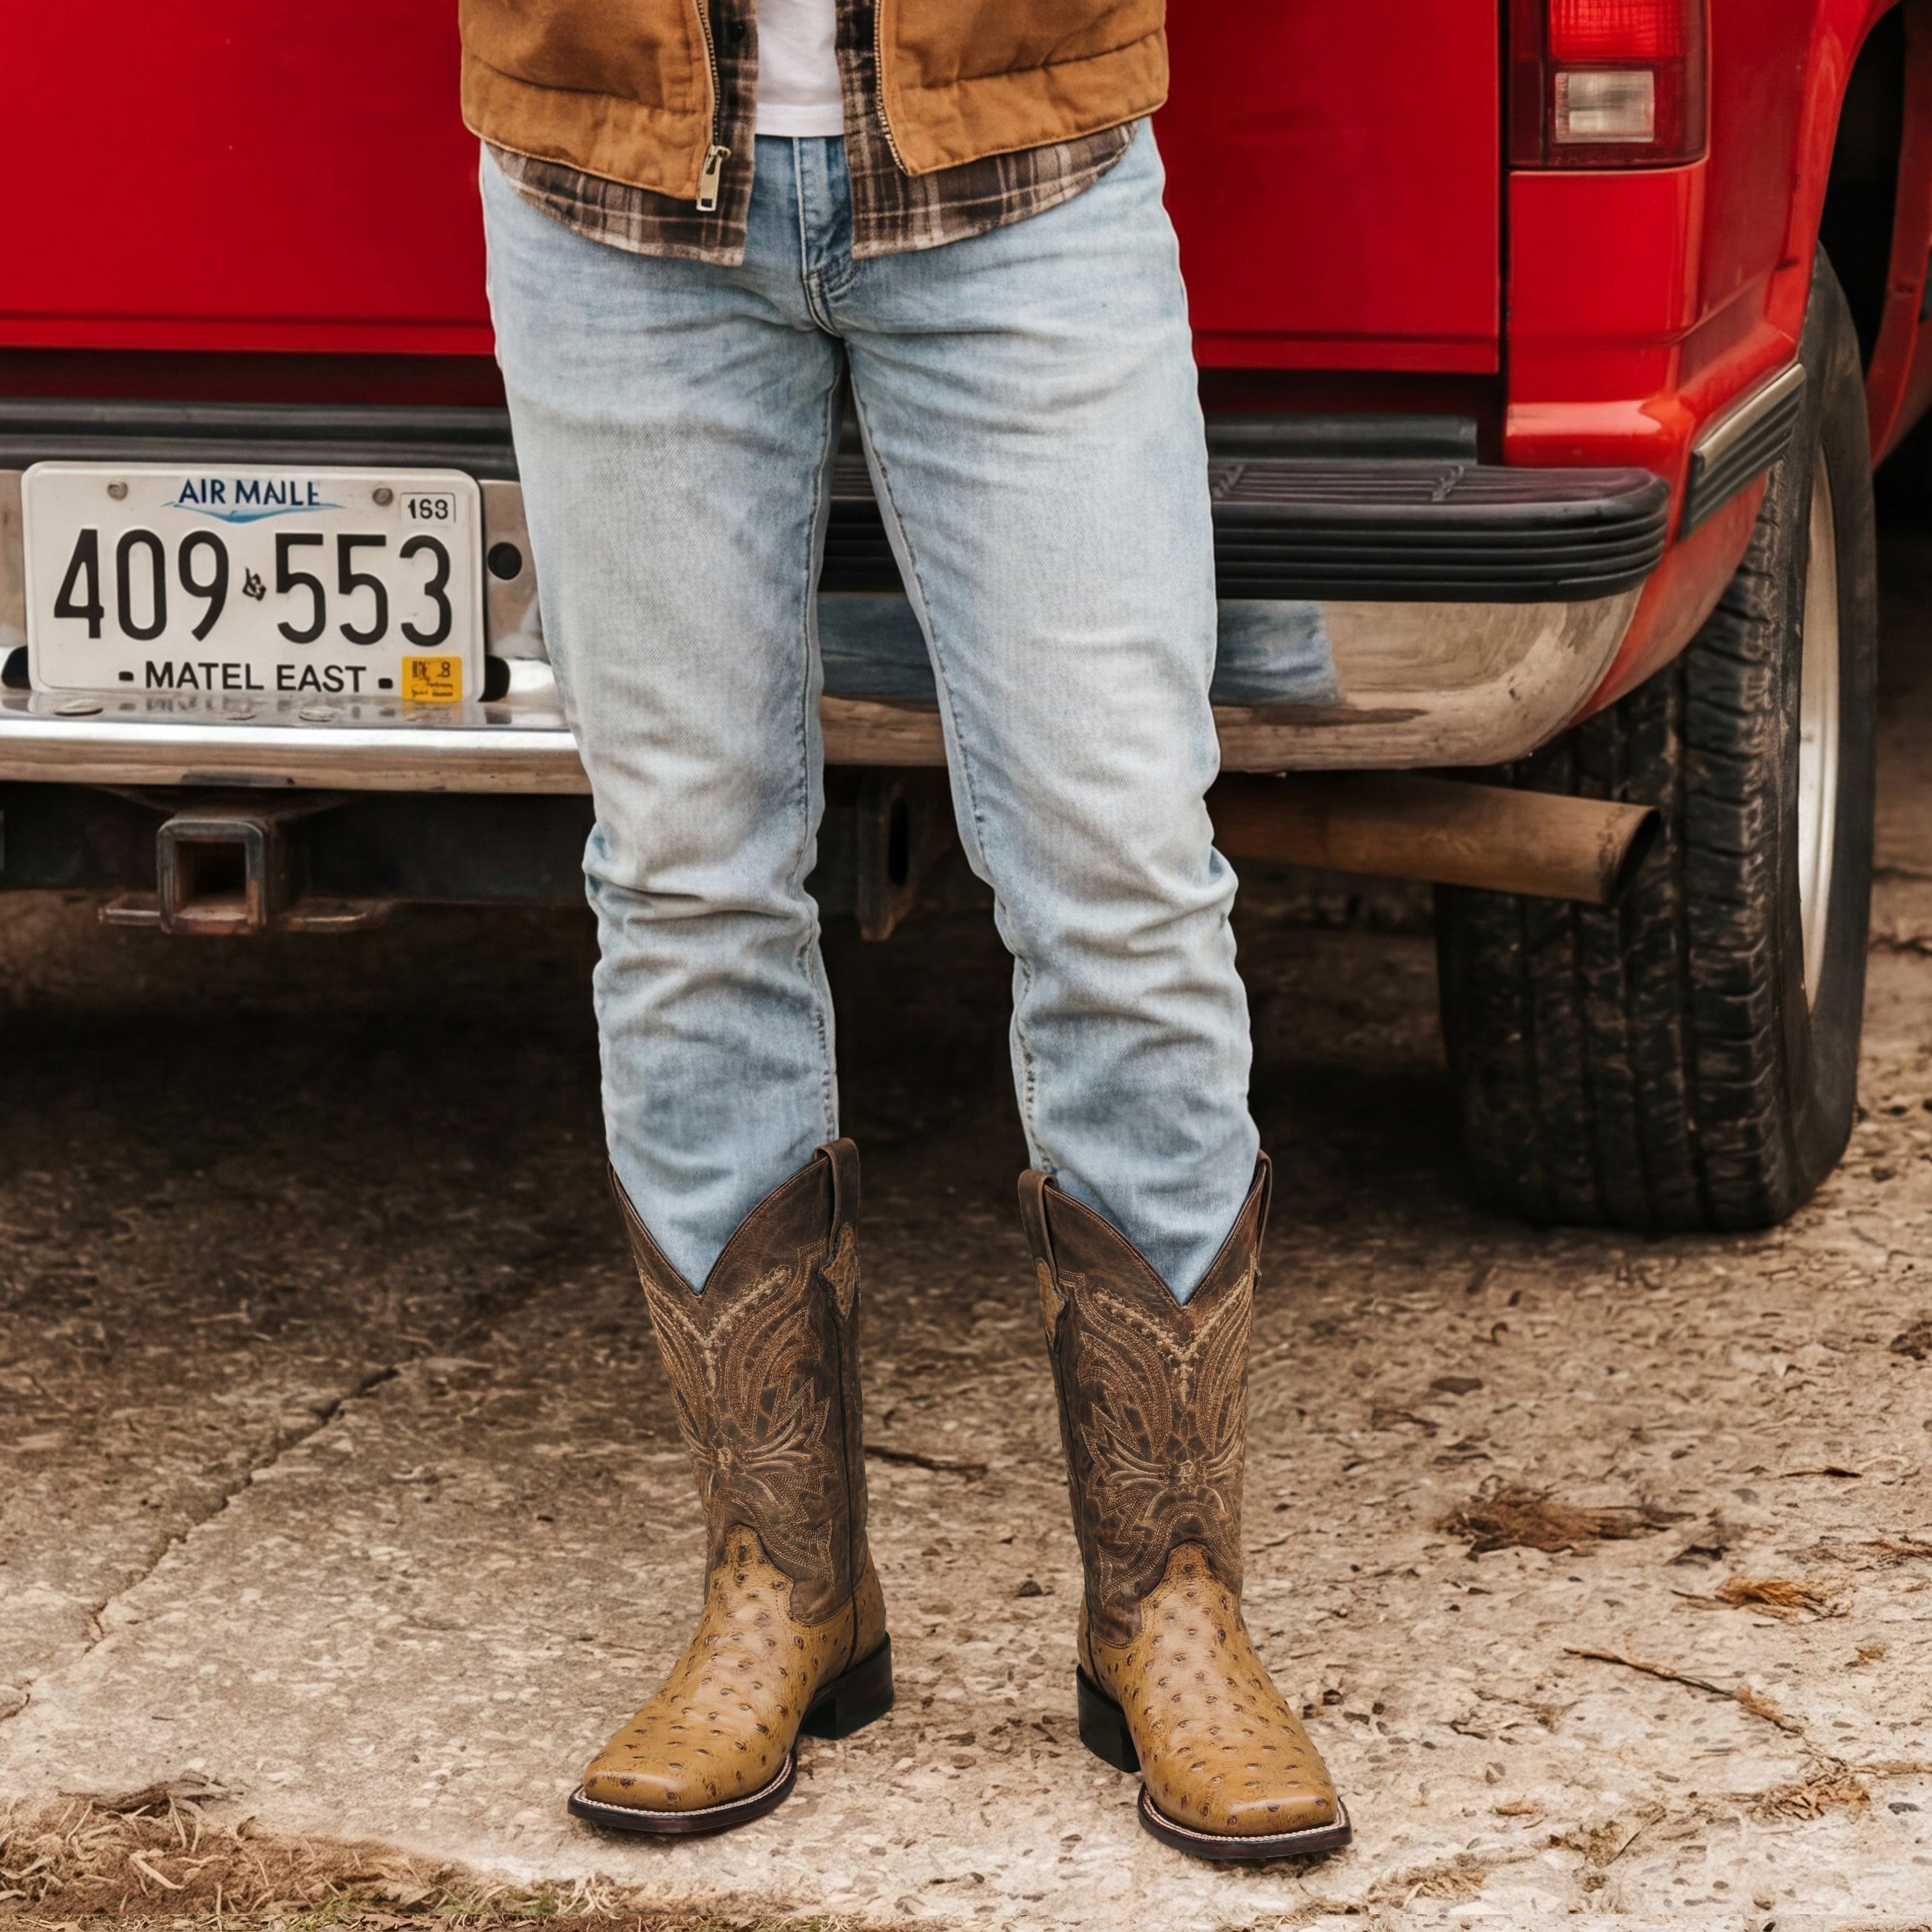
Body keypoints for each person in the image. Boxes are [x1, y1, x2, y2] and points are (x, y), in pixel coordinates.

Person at [462, 0, 1350, 1861]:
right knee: (686, 882)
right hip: (610, 183)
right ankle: (784, 1587)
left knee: (1123, 880)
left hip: (1021, 162)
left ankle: (1166, 1601)